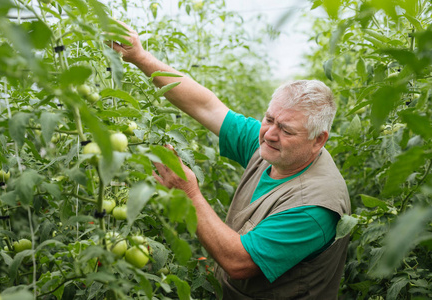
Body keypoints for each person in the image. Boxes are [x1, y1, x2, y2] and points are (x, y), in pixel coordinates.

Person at [110, 20, 351, 300]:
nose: (270, 134)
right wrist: (140, 56)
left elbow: (239, 262)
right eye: (269, 119)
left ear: (318, 140)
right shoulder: (274, 147)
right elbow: (207, 106)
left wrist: (188, 193)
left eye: (286, 129)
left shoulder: (316, 206)